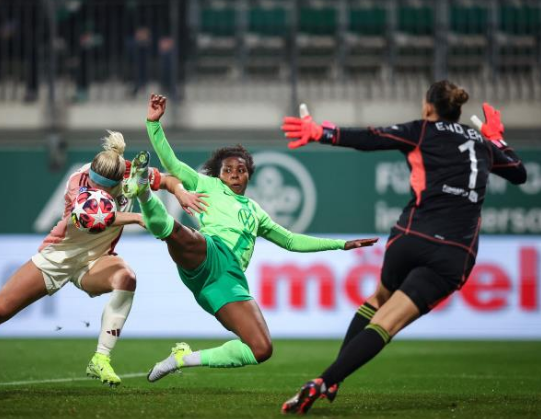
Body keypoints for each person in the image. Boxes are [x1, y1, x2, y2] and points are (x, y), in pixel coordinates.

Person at [279, 80, 527, 414]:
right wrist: (497, 138)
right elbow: (519, 173)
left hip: (410, 238)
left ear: (428, 107)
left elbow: (370, 137)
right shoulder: (483, 143)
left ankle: (334, 377)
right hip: (455, 252)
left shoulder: (421, 130)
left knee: (378, 300)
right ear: (458, 110)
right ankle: (323, 382)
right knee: (387, 324)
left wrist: (320, 132)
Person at [0, 131, 205, 390]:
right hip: (58, 257)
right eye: (97, 187)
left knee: (126, 277)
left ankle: (100, 358)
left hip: (96, 259)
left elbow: (167, 179)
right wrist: (139, 215)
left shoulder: (126, 171)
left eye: (106, 189)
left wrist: (179, 192)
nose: (100, 192)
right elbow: (96, 219)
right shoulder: (78, 181)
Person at [120, 94, 378, 382]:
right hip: (209, 253)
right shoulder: (208, 185)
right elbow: (172, 162)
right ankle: (142, 190)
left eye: (240, 170)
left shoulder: (256, 213)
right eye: (228, 170)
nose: (234, 174)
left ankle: (183, 359)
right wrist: (154, 123)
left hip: (228, 281)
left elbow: (291, 241)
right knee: (178, 235)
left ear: (248, 176)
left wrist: (341, 245)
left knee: (260, 348)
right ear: (218, 175)